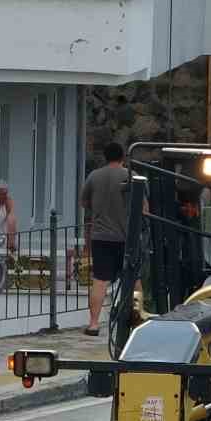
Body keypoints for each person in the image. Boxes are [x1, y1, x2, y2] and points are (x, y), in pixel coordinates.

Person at [80, 142, 129, 336]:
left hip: (100, 236)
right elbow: (144, 208)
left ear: (105, 157)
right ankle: (139, 318)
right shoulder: (129, 176)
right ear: (123, 157)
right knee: (134, 279)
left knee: (100, 281)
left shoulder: (94, 176)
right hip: (126, 236)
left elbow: (84, 202)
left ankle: (93, 324)